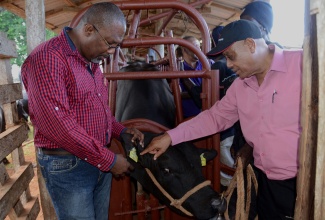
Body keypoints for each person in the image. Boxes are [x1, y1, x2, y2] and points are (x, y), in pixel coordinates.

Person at [141, 20, 303, 220]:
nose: (228, 64)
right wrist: (170, 137)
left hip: (306, 180)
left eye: (230, 56)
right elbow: (214, 118)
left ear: (251, 44)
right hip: (265, 180)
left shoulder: (304, 65)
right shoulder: (240, 86)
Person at [21, 2, 144, 220]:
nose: (112, 51)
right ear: (89, 29)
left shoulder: (91, 63)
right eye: (110, 43)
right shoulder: (48, 58)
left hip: (97, 159)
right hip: (69, 166)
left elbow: (98, 110)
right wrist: (110, 161)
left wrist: (120, 130)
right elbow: (59, 125)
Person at [178, 36, 214, 118]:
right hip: (189, 117)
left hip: (211, 114)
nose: (199, 50)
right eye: (195, 46)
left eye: (199, 46)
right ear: (184, 49)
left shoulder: (209, 64)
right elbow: (175, 92)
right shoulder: (177, 69)